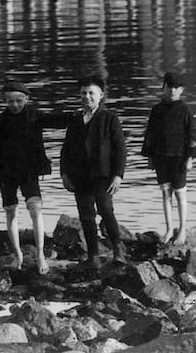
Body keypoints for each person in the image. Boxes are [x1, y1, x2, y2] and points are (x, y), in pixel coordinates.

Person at [0, 80, 72, 274]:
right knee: (10, 211)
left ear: (27, 99)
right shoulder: (0, 120)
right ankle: (17, 255)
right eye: (10, 101)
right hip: (6, 171)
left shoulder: (34, 116)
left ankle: (40, 255)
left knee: (35, 209)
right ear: (5, 101)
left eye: (19, 101)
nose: (15, 105)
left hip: (29, 170)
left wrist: (77, 117)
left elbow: (56, 120)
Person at [61, 74, 128, 267]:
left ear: (101, 95)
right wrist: (64, 174)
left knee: (106, 210)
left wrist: (118, 175)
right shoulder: (75, 120)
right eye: (83, 93)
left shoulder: (109, 119)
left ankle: (118, 249)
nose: (87, 96)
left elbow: (120, 149)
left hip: (104, 176)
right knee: (86, 216)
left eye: (91, 93)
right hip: (79, 177)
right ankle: (93, 256)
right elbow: (66, 149)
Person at [141, 72, 196, 244]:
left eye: (176, 87)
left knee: (180, 194)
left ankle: (182, 230)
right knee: (165, 194)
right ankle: (168, 229)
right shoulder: (157, 110)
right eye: (169, 86)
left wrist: (190, 158)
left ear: (181, 90)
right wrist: (149, 156)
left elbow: (192, 136)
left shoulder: (185, 110)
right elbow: (150, 134)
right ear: (164, 87)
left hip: (179, 158)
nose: (172, 90)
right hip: (161, 157)